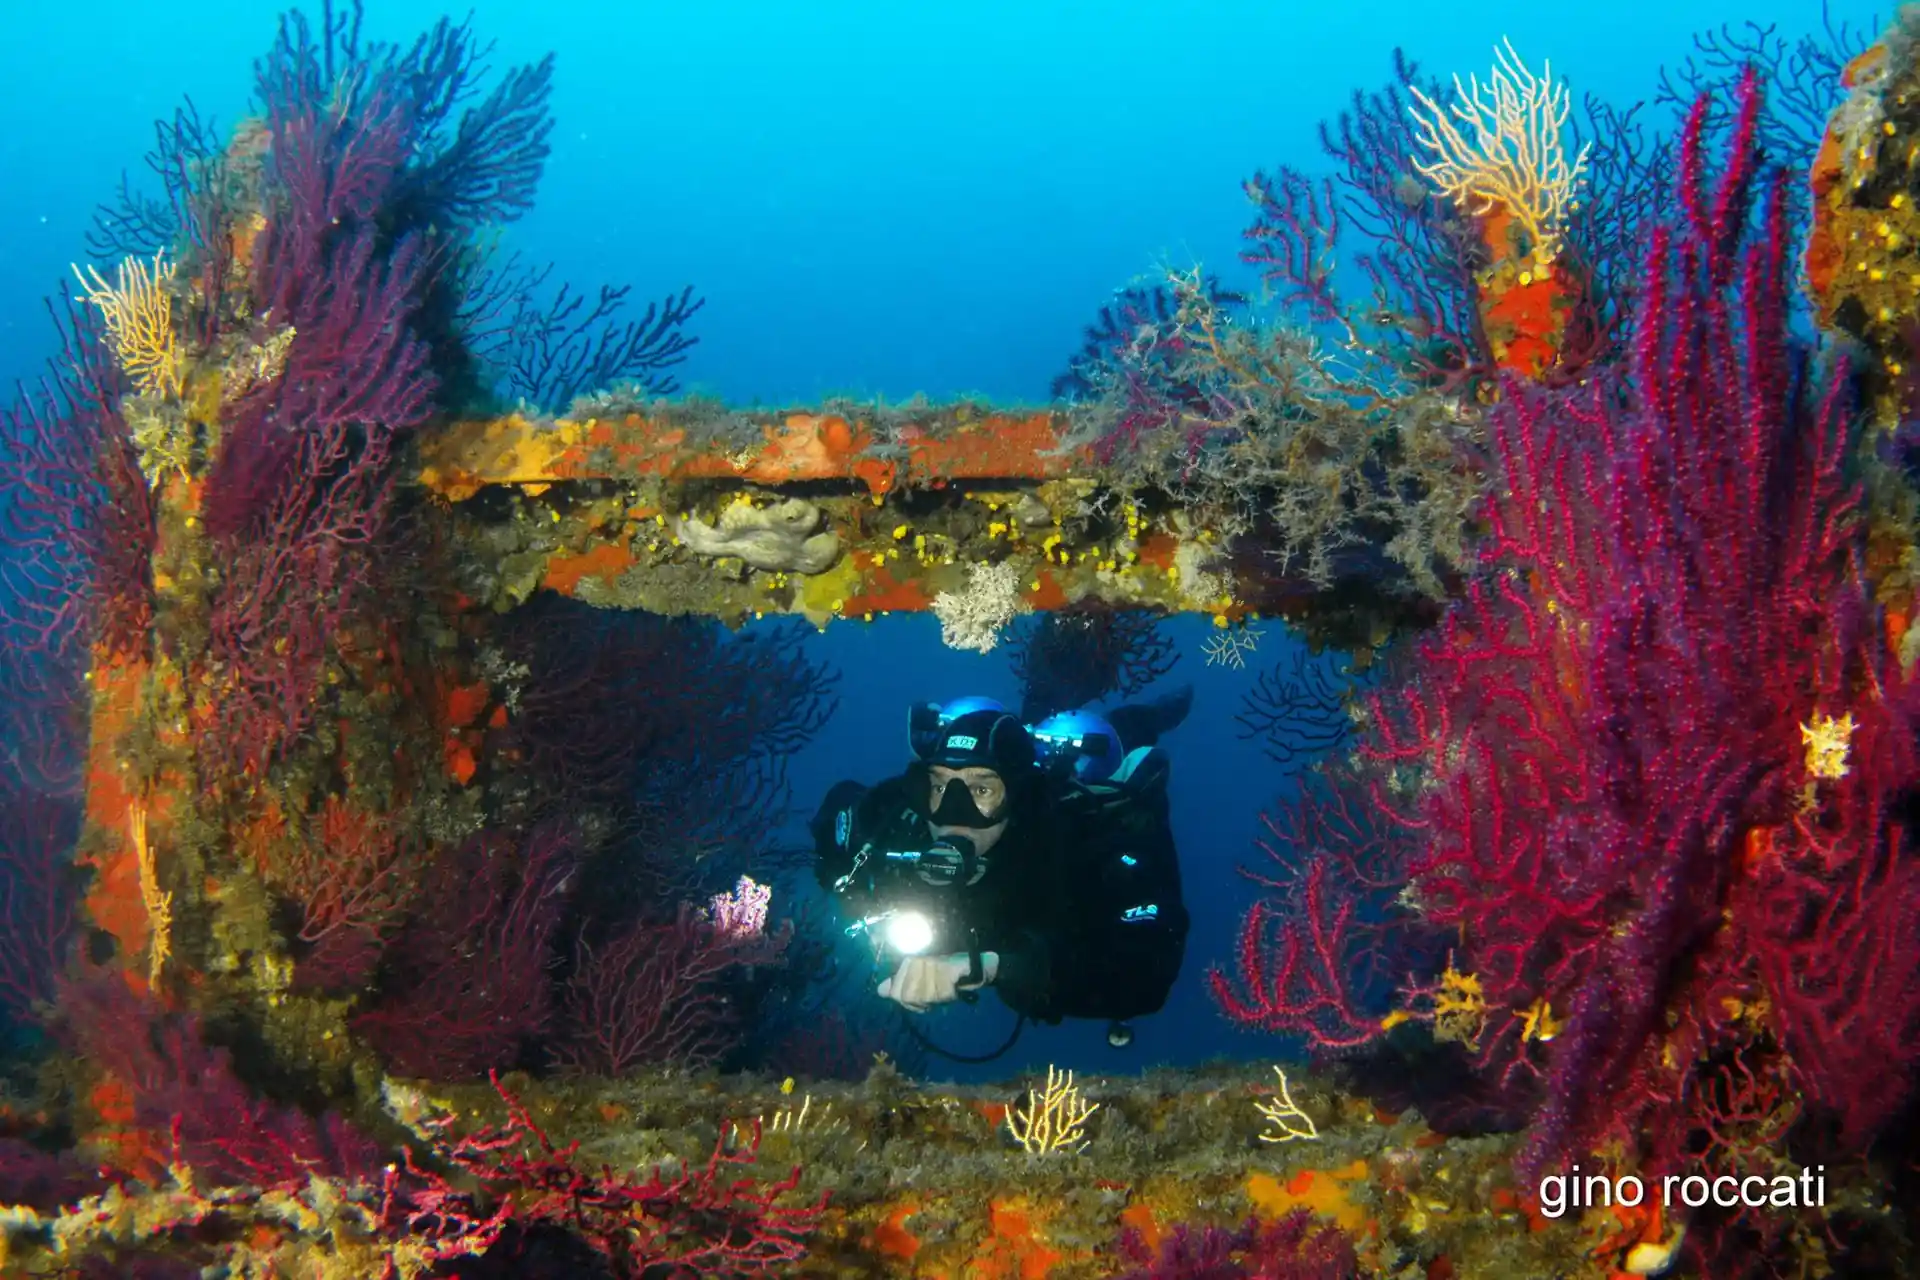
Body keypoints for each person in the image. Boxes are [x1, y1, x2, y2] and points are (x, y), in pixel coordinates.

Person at [811, 695, 1190, 1038]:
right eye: (942, 787)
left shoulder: (1069, 845)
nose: (952, 814)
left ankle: (1137, 720)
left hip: (1077, 812)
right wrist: (867, 910)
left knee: (1114, 737)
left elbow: (1147, 977)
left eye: (981, 790)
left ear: (1016, 799)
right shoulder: (902, 819)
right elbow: (836, 819)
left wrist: (993, 967)